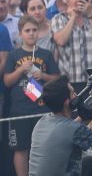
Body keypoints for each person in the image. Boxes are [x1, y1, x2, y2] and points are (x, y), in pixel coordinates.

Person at [28, 75, 92, 176]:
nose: (76, 95)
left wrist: (84, 115)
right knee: (90, 162)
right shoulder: (74, 130)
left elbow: (66, 131)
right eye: (73, 93)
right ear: (67, 102)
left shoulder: (42, 121)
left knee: (86, 164)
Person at [4, 15, 59, 176]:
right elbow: (7, 81)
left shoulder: (46, 54)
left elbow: (56, 78)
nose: (31, 33)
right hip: (19, 110)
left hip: (41, 108)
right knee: (21, 149)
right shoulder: (14, 55)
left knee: (44, 147)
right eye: (27, 30)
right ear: (20, 33)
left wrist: (43, 76)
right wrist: (21, 70)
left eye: (34, 30)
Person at [51, 0, 92, 92]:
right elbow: (61, 41)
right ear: (67, 1)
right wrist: (73, 17)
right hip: (70, 79)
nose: (79, 0)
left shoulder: (91, 17)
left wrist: (90, 14)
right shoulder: (58, 19)